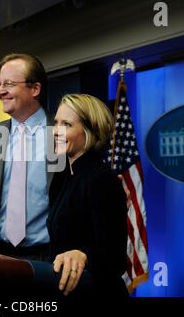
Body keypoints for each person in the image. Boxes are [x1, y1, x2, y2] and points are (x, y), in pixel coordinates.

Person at [0, 53, 130, 265]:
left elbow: (87, 181)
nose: (1, 91)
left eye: (8, 83)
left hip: (49, 258)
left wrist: (111, 197)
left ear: (35, 89)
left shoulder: (63, 133)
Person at [49, 94, 128, 297]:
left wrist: (83, 254)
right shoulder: (63, 177)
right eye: (56, 123)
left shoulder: (103, 179)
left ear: (90, 132)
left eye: (67, 124)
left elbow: (115, 259)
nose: (56, 131)